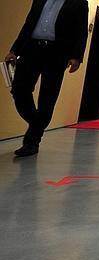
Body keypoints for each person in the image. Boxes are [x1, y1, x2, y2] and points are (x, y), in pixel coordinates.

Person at [4, 0, 89, 157]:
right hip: (31, 50)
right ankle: (37, 123)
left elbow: (81, 31)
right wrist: (14, 50)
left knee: (47, 98)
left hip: (57, 54)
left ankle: (31, 143)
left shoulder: (79, 3)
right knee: (19, 89)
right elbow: (28, 24)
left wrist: (77, 57)